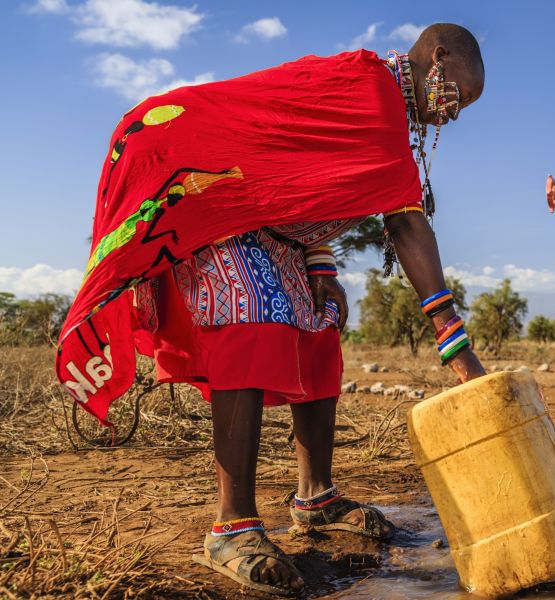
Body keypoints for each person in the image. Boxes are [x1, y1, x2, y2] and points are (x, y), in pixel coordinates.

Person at [57, 24, 487, 596]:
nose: (452, 115)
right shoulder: (372, 90)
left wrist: (321, 267)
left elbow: (299, 176)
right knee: (252, 316)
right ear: (438, 59)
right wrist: (455, 344)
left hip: (260, 217)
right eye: (457, 95)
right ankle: (231, 527)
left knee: (317, 328)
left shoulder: (378, 104)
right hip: (203, 185)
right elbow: (406, 223)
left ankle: (316, 498)